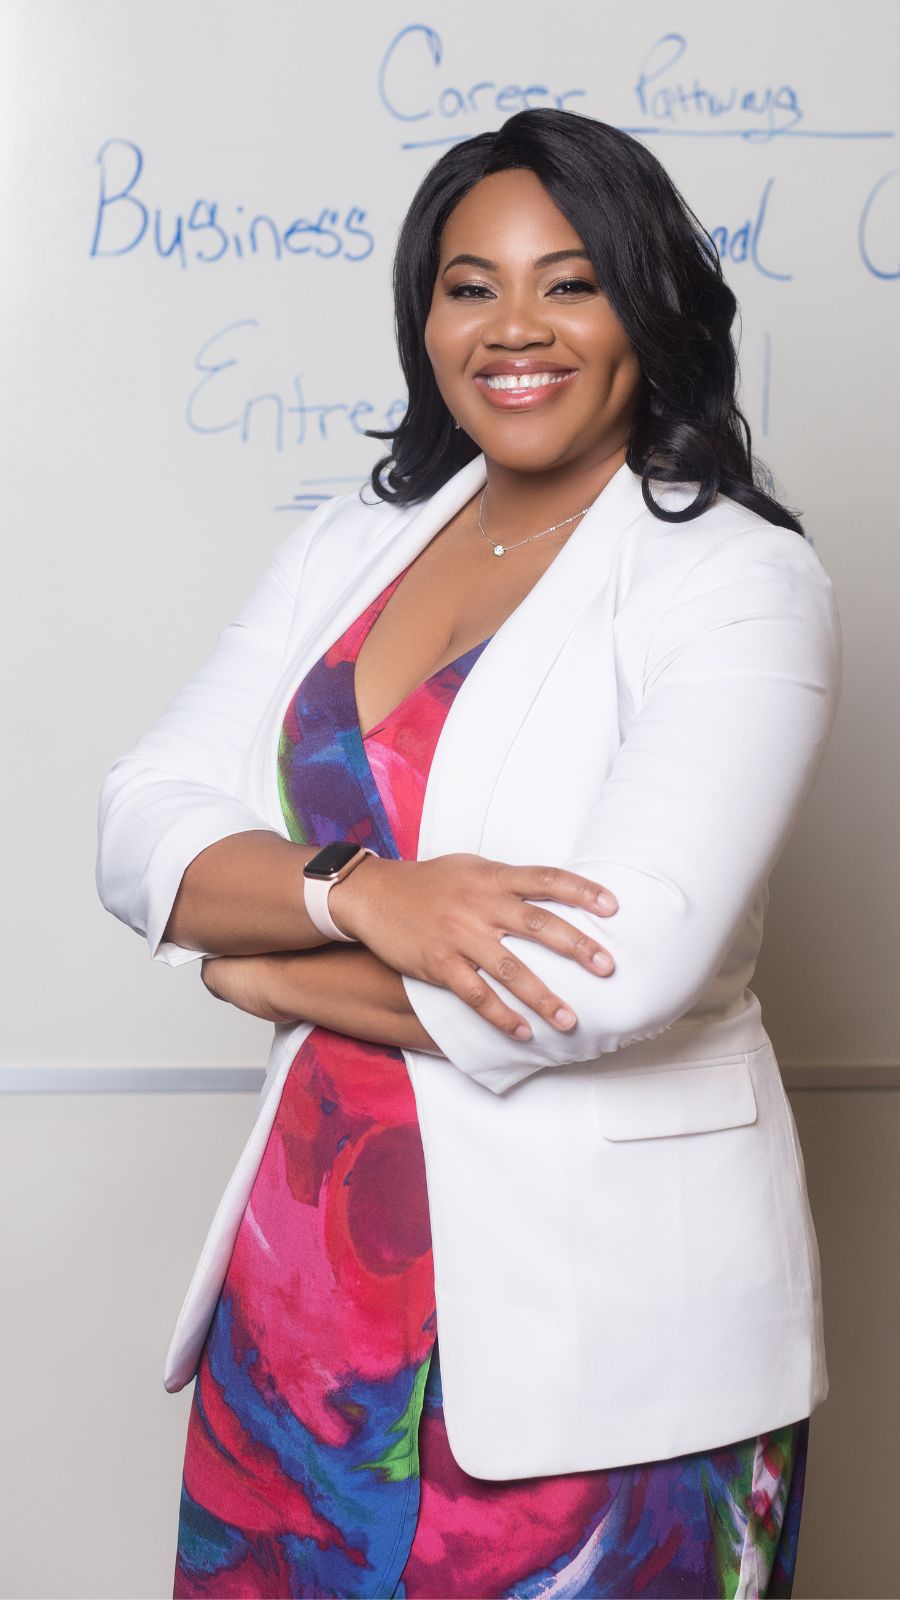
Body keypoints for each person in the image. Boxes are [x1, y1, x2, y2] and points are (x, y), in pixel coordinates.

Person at [95, 108, 842, 1598]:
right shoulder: (354, 542)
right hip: (309, 1314)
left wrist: (267, 971)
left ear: (652, 305)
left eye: (571, 283)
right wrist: (356, 892)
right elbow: (140, 821)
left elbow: (598, 984)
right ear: (421, 318)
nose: (517, 328)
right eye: (468, 283)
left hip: (608, 1340)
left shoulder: (741, 582)